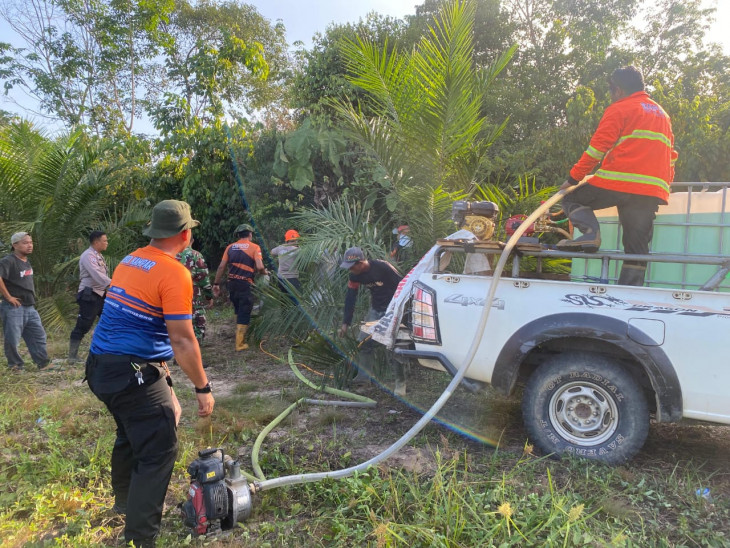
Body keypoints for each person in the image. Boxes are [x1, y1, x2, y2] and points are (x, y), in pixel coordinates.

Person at [85, 200, 214, 547]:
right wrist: (203, 387)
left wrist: (167, 383)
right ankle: (140, 538)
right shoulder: (174, 273)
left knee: (130, 433)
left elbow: (146, 326)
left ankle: (125, 502)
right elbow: (183, 339)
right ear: (185, 234)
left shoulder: (131, 259)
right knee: (158, 451)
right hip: (131, 375)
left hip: (101, 367)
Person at [557, 66, 678, 286]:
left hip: (619, 181)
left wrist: (573, 179)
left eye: (611, 90)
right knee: (637, 247)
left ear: (618, 90)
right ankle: (629, 293)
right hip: (650, 191)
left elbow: (597, 149)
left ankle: (590, 234)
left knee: (572, 198)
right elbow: (671, 155)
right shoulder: (663, 115)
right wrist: (663, 186)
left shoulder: (620, 108)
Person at [337, 246, 406, 395]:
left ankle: (400, 382)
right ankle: (364, 379)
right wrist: (345, 324)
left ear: (360, 263)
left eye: (351, 267)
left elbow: (403, 287)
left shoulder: (382, 267)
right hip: (376, 309)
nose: (350, 270)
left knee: (391, 345)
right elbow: (351, 298)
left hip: (393, 310)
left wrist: (400, 313)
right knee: (363, 342)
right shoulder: (355, 276)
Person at [0, 232, 50, 371]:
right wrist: (9, 297)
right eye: (25, 243)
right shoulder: (8, 261)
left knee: (38, 335)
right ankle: (15, 366)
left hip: (29, 306)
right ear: (15, 245)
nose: (30, 245)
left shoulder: (26, 261)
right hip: (14, 307)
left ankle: (43, 363)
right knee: (13, 339)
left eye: (31, 242)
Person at [213, 223, 266, 351]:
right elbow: (259, 267)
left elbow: (221, 267)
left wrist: (216, 283)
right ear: (250, 234)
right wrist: (265, 272)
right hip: (245, 284)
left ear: (238, 235)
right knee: (245, 310)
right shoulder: (255, 247)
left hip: (231, 284)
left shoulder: (230, 247)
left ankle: (239, 335)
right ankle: (240, 343)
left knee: (237, 308)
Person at [69, 230, 111, 363]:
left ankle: (106, 350)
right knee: (83, 324)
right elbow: (97, 275)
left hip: (101, 294)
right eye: (105, 241)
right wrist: (114, 285)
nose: (107, 243)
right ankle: (72, 356)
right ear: (96, 242)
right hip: (90, 294)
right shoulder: (88, 256)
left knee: (109, 320)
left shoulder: (98, 255)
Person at [177, 239, 214, 345]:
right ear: (192, 241)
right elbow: (204, 279)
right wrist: (208, 296)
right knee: (197, 326)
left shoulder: (170, 255)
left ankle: (179, 356)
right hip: (192, 297)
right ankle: (192, 355)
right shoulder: (195, 255)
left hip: (172, 297)